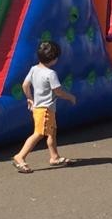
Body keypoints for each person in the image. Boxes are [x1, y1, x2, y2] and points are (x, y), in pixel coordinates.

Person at [11, 41, 77, 173]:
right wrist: (70, 97)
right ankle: (20, 156)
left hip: (40, 108)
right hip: (45, 109)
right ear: (53, 59)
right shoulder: (50, 74)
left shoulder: (34, 69)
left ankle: (54, 157)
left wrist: (30, 99)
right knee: (39, 133)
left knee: (51, 132)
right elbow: (58, 91)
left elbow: (25, 85)